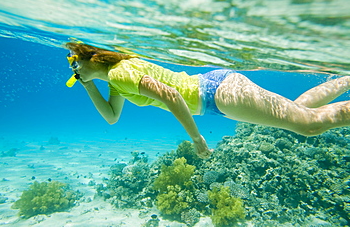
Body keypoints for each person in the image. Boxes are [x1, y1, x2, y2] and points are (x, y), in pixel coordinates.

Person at [64, 42, 350, 159]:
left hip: (217, 95)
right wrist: (87, 86)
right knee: (300, 111)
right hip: (218, 91)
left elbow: (171, 95)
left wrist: (196, 139)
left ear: (91, 57)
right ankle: (347, 79)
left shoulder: (120, 73)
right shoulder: (117, 78)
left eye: (73, 60)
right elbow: (112, 116)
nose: (72, 67)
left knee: (309, 125)